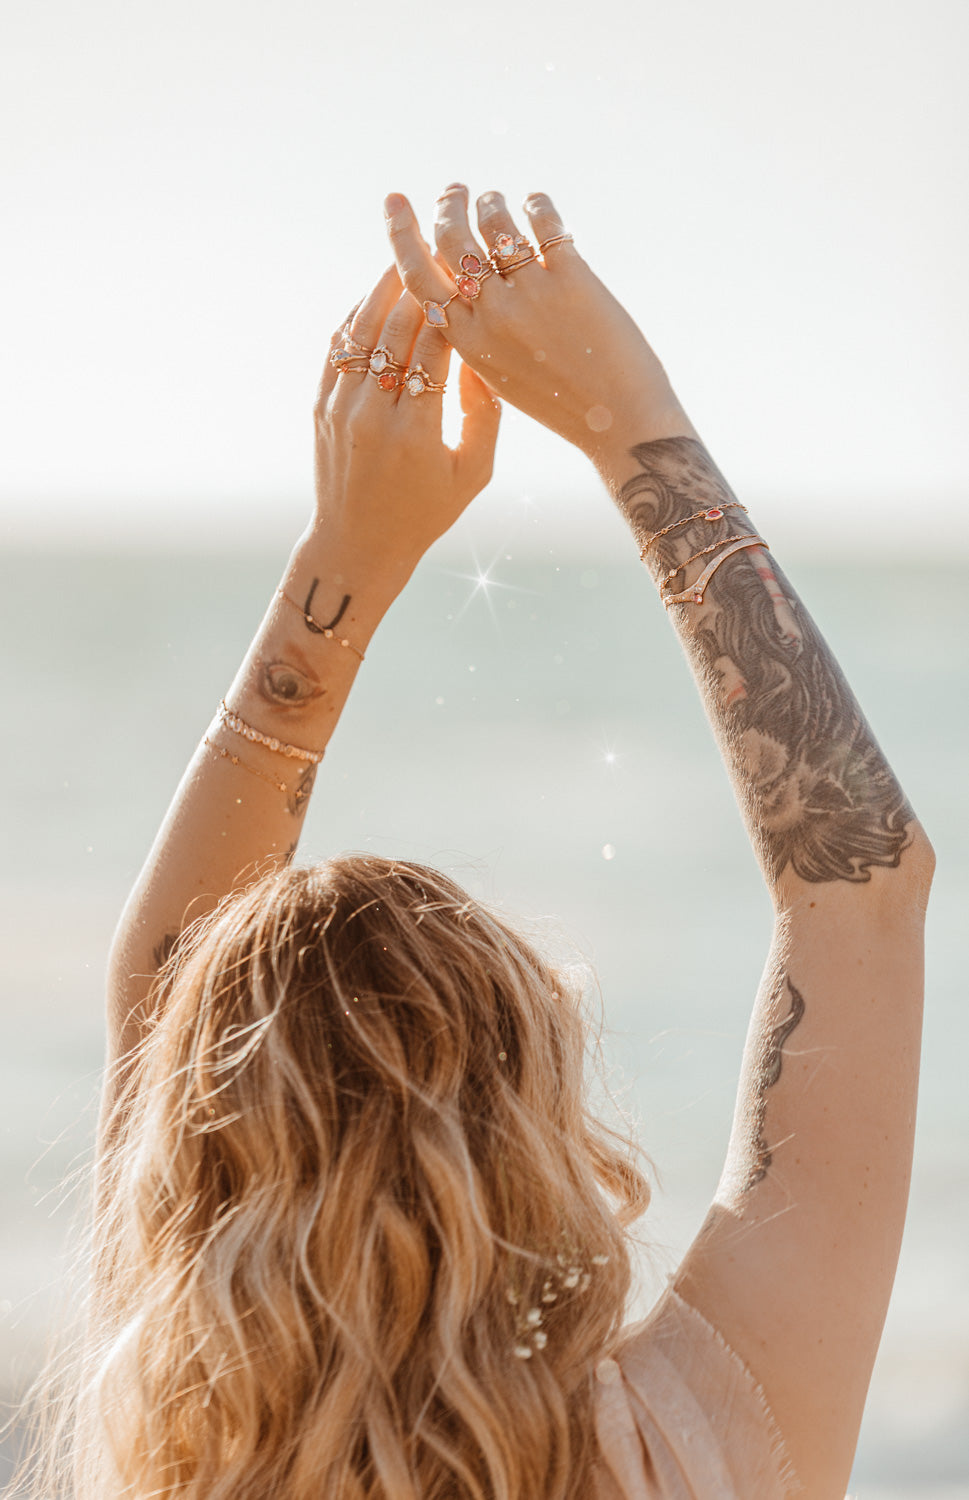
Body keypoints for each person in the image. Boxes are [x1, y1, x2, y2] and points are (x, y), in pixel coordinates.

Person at [27, 186, 933, 1500]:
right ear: (533, 1116)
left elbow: (163, 1001)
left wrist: (344, 559)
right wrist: (630, 418)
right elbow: (858, 892)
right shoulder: (697, 1440)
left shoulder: (167, 1431)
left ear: (193, 1157)